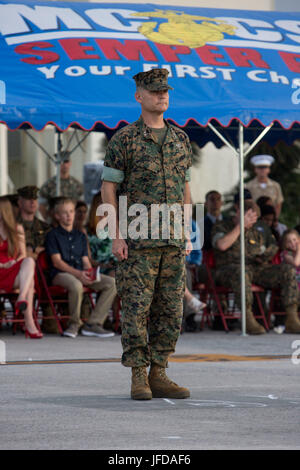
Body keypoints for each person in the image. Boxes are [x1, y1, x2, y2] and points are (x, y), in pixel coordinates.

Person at [101, 68, 192, 400]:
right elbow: (108, 189)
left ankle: (159, 372)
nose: (162, 96)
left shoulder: (181, 139)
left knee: (170, 309)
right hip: (138, 240)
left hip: (172, 239)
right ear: (138, 96)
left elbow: (185, 189)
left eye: (165, 91)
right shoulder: (124, 139)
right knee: (137, 308)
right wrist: (116, 234)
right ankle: (138, 376)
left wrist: (188, 232)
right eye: (154, 92)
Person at [211, 200, 300, 334]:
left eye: (255, 219)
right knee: (242, 271)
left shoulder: (255, 233)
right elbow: (222, 245)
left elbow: (262, 250)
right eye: (250, 218)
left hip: (255, 267)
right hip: (229, 269)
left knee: (287, 270)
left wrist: (265, 254)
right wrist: (240, 227)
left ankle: (291, 317)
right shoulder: (221, 226)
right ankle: (247, 317)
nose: (253, 223)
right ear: (240, 213)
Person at [45, 198, 117, 338]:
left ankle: (93, 324)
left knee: (112, 283)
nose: (69, 215)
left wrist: (90, 274)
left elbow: (85, 260)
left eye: (71, 211)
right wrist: (79, 274)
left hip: (80, 273)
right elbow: (57, 263)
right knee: (76, 284)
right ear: (57, 216)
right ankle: (74, 324)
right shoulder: (52, 235)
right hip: (61, 274)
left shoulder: (80, 235)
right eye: (65, 213)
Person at [0, 196, 42, 338]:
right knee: (29, 283)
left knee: (29, 261)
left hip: (12, 271)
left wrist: (13, 262)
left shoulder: (17, 229)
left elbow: (22, 255)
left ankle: (22, 297)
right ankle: (30, 325)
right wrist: (2, 264)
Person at [38, 151, 84, 221]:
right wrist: (49, 220)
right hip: (55, 224)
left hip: (72, 223)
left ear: (70, 163)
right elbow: (41, 206)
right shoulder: (49, 185)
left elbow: (81, 206)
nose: (64, 165)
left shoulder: (77, 184)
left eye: (66, 161)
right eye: (61, 162)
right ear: (56, 164)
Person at [16, 186, 50, 259]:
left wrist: (32, 250)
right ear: (20, 202)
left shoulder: (45, 227)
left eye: (35, 199)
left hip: (41, 267)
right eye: (28, 199)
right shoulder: (12, 226)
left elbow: (51, 251)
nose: (32, 202)